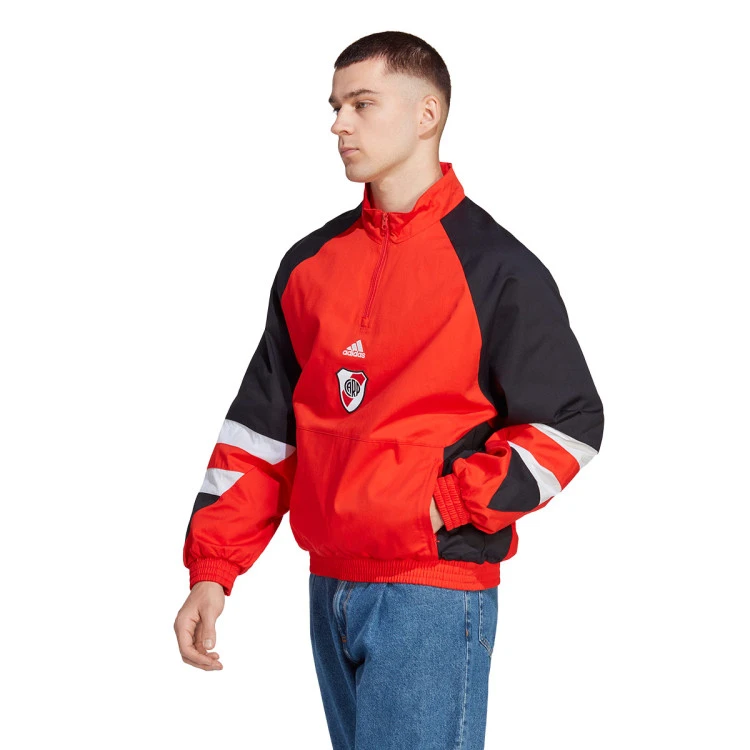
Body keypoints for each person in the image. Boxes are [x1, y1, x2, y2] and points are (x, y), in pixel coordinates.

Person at [174, 30, 605, 750]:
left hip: (432, 591)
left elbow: (569, 422)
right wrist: (213, 570)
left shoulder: (496, 268)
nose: (338, 125)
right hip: (329, 584)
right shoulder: (311, 263)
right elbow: (263, 431)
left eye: (362, 104)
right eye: (336, 106)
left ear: (426, 113)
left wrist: (445, 506)